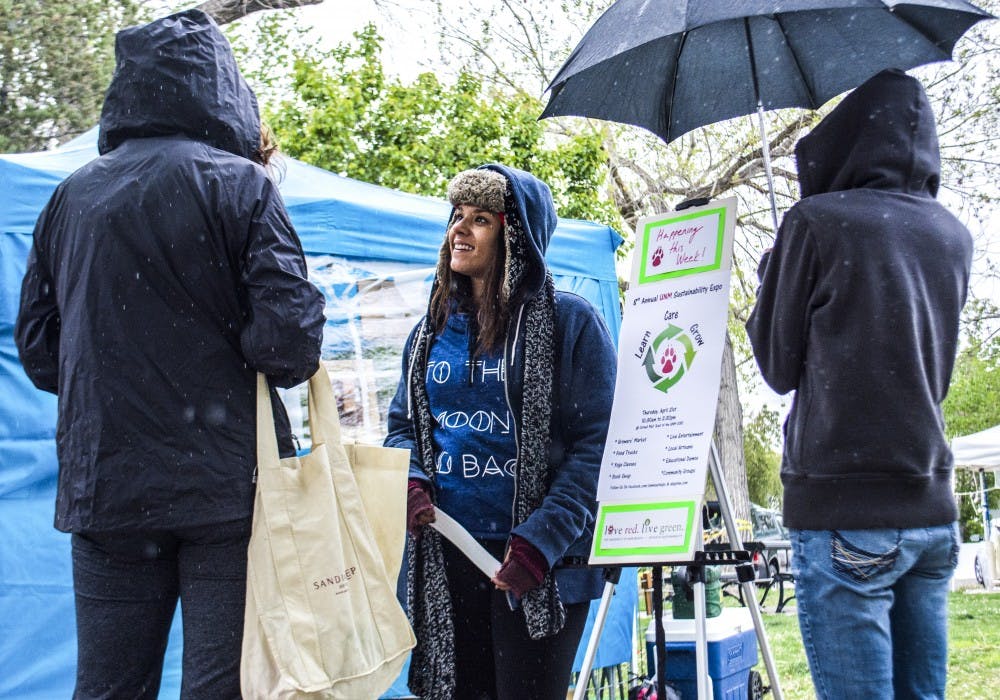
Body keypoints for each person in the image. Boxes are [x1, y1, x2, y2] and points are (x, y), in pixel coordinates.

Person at [14, 10, 325, 699]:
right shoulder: (242, 187)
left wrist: (116, 359)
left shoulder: (70, 198)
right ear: (223, 90)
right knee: (220, 687)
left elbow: (39, 351)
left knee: (107, 688)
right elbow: (288, 347)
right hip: (226, 491)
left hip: (108, 488)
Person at [746, 69, 973, 699]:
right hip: (930, 505)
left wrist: (775, 277)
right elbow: (933, 372)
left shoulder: (816, 222)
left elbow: (776, 362)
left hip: (845, 507)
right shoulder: (953, 234)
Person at [384, 164, 617, 699]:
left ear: (515, 235)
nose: (459, 231)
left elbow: (596, 448)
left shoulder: (570, 323)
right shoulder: (430, 331)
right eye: (457, 217)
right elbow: (402, 426)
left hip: (542, 565)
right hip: (449, 558)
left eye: (481, 219)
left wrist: (541, 543)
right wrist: (412, 480)